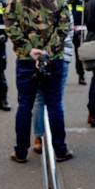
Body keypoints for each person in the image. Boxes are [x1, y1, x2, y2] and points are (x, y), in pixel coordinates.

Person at [5, 0, 73, 163]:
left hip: (27, 60)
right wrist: (47, 52)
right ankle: (60, 150)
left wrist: (29, 49)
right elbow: (64, 28)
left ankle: (20, 152)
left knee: (25, 104)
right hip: (53, 60)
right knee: (54, 104)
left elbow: (10, 25)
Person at [31, 20, 74, 154]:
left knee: (40, 99)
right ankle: (58, 144)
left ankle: (39, 138)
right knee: (56, 100)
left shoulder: (37, 4)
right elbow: (68, 32)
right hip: (59, 57)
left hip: (38, 56)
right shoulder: (62, 6)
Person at [67, 0, 86, 85]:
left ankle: (81, 76)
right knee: (65, 55)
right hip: (68, 33)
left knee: (79, 56)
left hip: (79, 33)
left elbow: (85, 17)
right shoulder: (67, 4)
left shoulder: (82, 4)